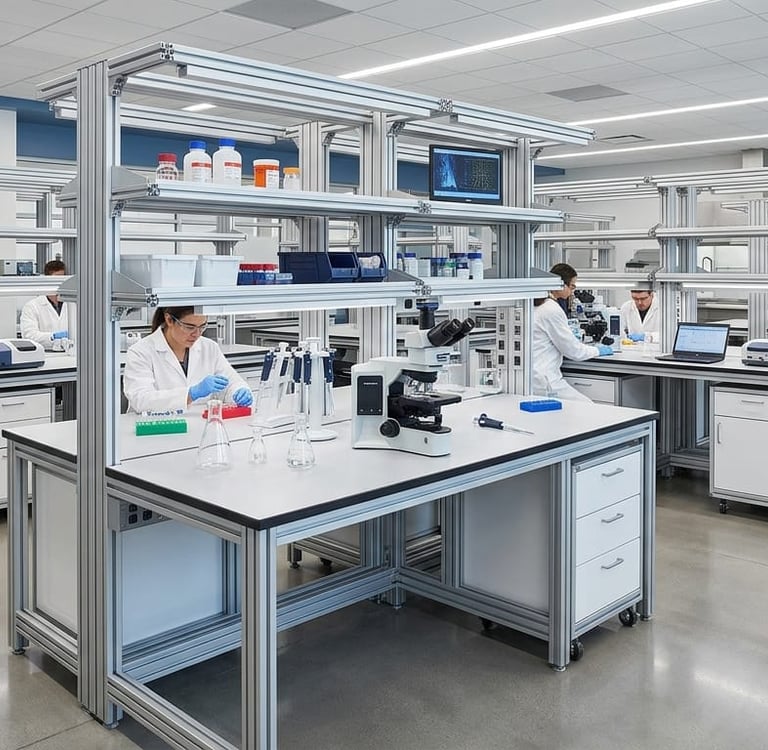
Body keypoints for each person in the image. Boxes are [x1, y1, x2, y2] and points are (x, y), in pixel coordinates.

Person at [123, 306, 253, 414]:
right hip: (153, 431)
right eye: (190, 327)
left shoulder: (209, 347)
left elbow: (231, 381)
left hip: (196, 428)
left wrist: (238, 391)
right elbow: (141, 400)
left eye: (202, 327)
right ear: (169, 319)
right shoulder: (140, 351)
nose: (196, 334)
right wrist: (190, 394)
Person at [532, 263, 613, 402]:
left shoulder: (536, 304)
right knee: (588, 406)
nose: (572, 291)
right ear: (560, 285)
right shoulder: (551, 309)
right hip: (545, 380)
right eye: (572, 286)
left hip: (532, 377)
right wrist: (598, 350)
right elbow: (574, 351)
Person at [20, 259, 73, 349]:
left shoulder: (73, 304)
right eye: (56, 279)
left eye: (62, 279)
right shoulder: (32, 306)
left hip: (71, 354)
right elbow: (29, 336)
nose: (60, 283)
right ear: (47, 279)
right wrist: (53, 336)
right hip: (46, 355)